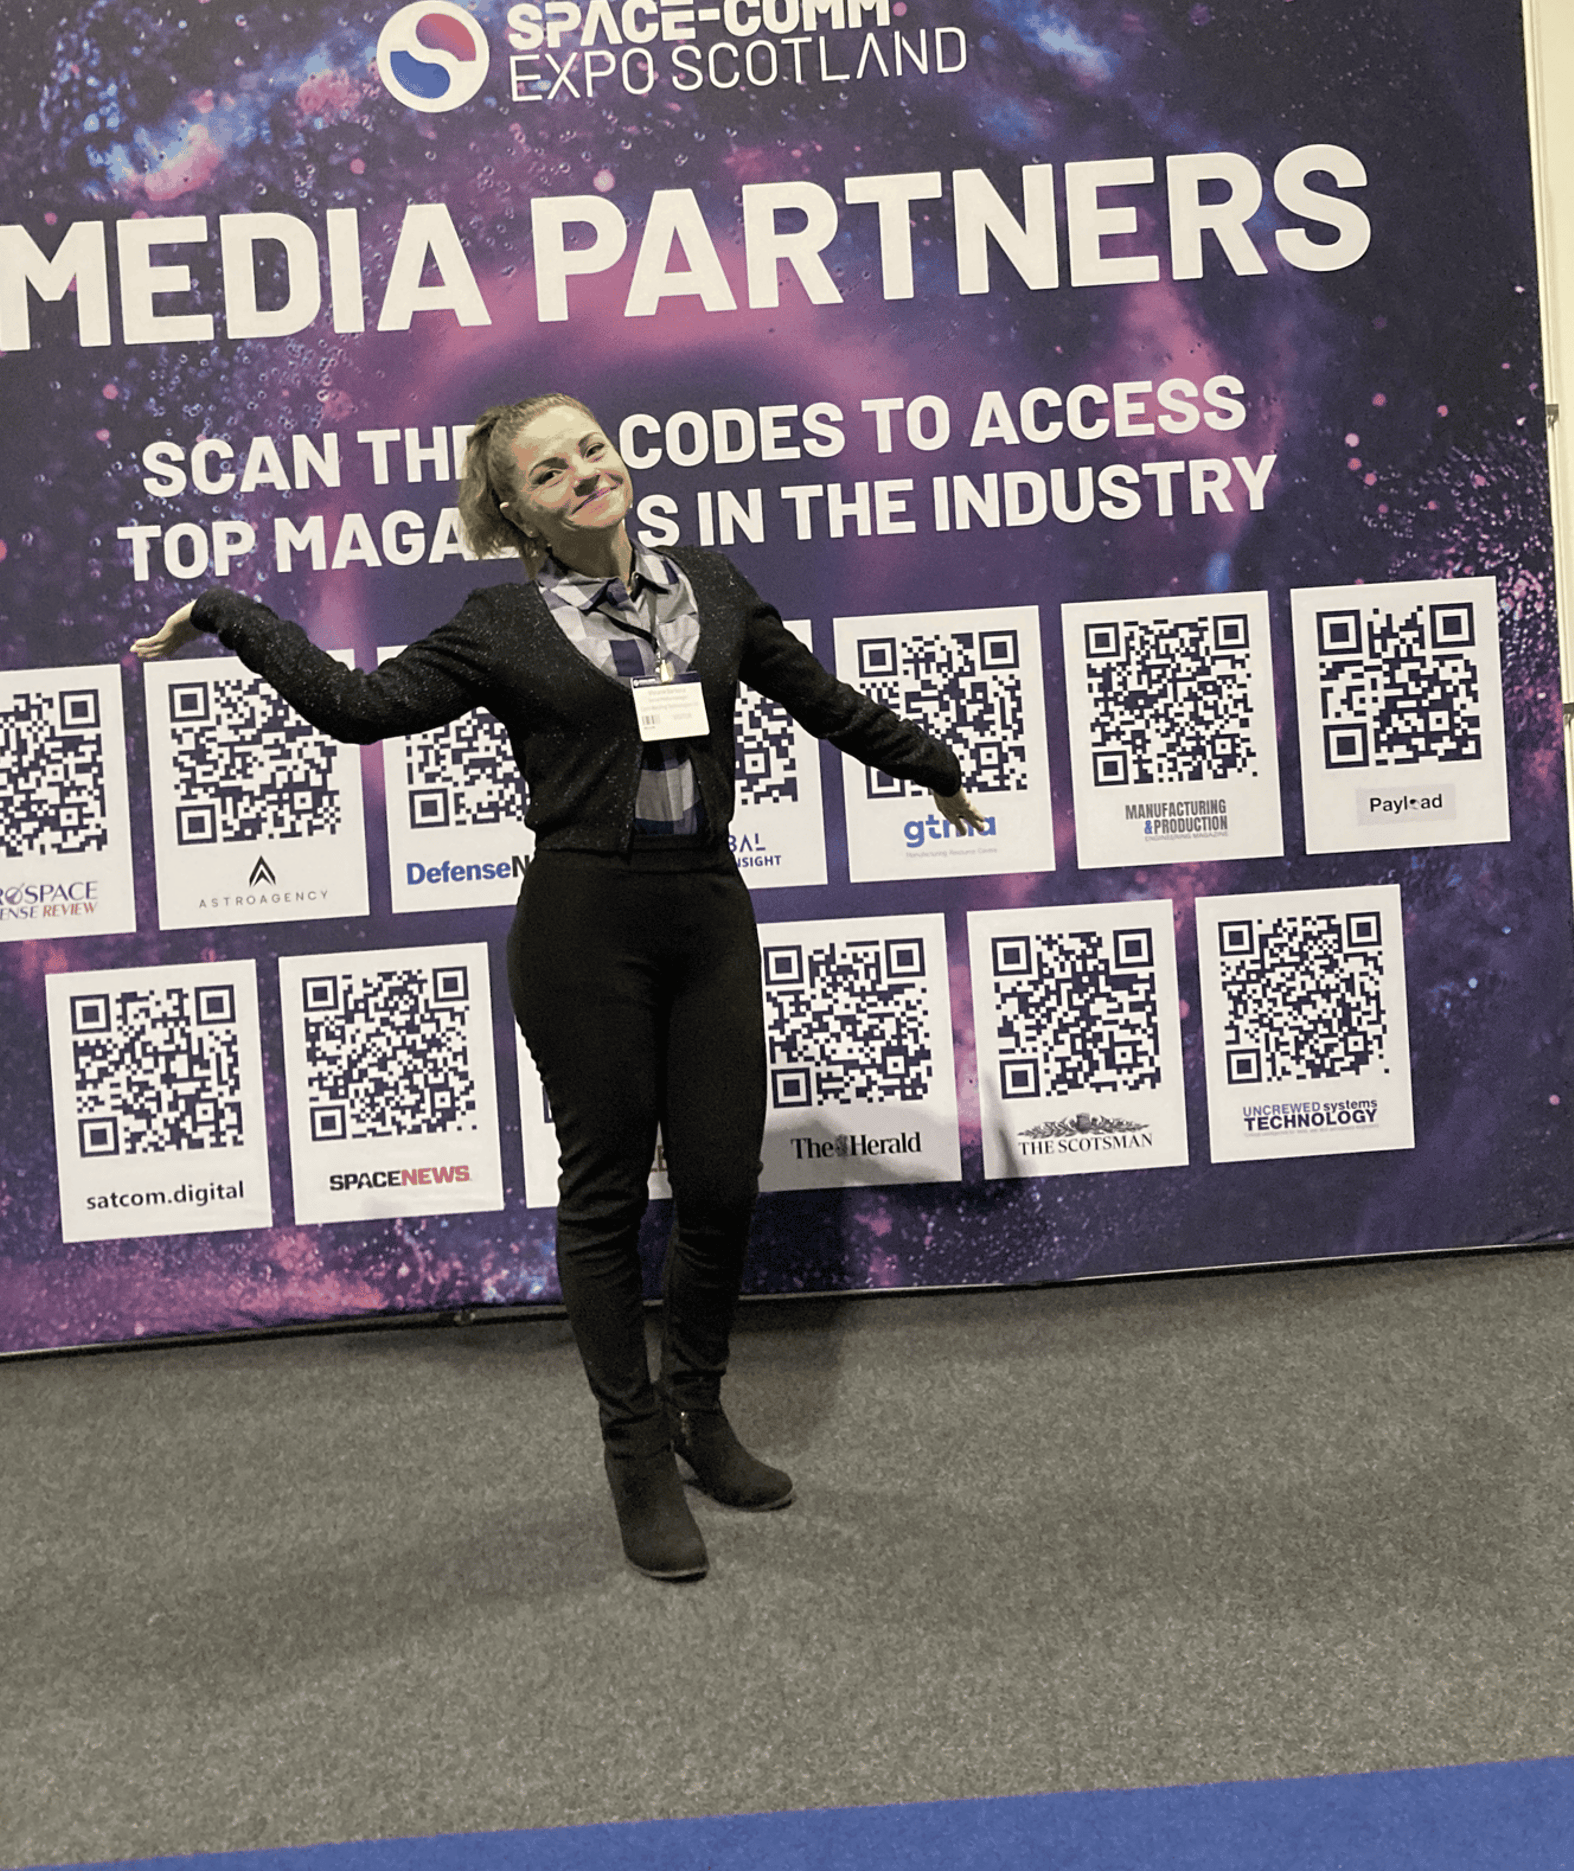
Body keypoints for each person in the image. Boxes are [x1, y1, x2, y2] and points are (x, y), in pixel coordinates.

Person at [134, 391, 984, 1583]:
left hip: (709, 910)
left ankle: (699, 1412)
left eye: (591, 448)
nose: (584, 473)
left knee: (725, 1182)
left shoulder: (715, 587)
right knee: (602, 1195)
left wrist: (932, 760)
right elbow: (356, 707)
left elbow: (817, 697)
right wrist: (230, 612)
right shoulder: (503, 625)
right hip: (585, 925)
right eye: (549, 471)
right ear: (519, 512)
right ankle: (633, 1452)